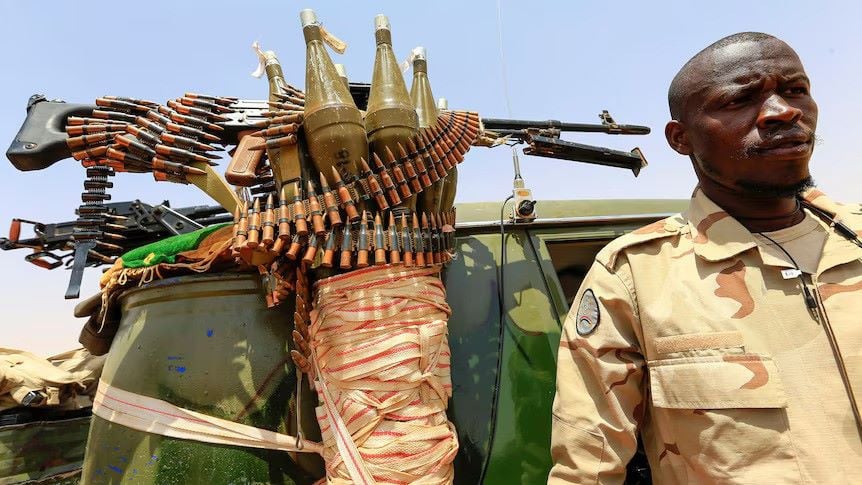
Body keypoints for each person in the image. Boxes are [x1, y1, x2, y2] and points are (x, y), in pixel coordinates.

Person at [548, 32, 862, 484]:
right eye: (740, 100)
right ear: (681, 138)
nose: (784, 112)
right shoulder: (635, 275)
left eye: (795, 91)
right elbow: (588, 469)